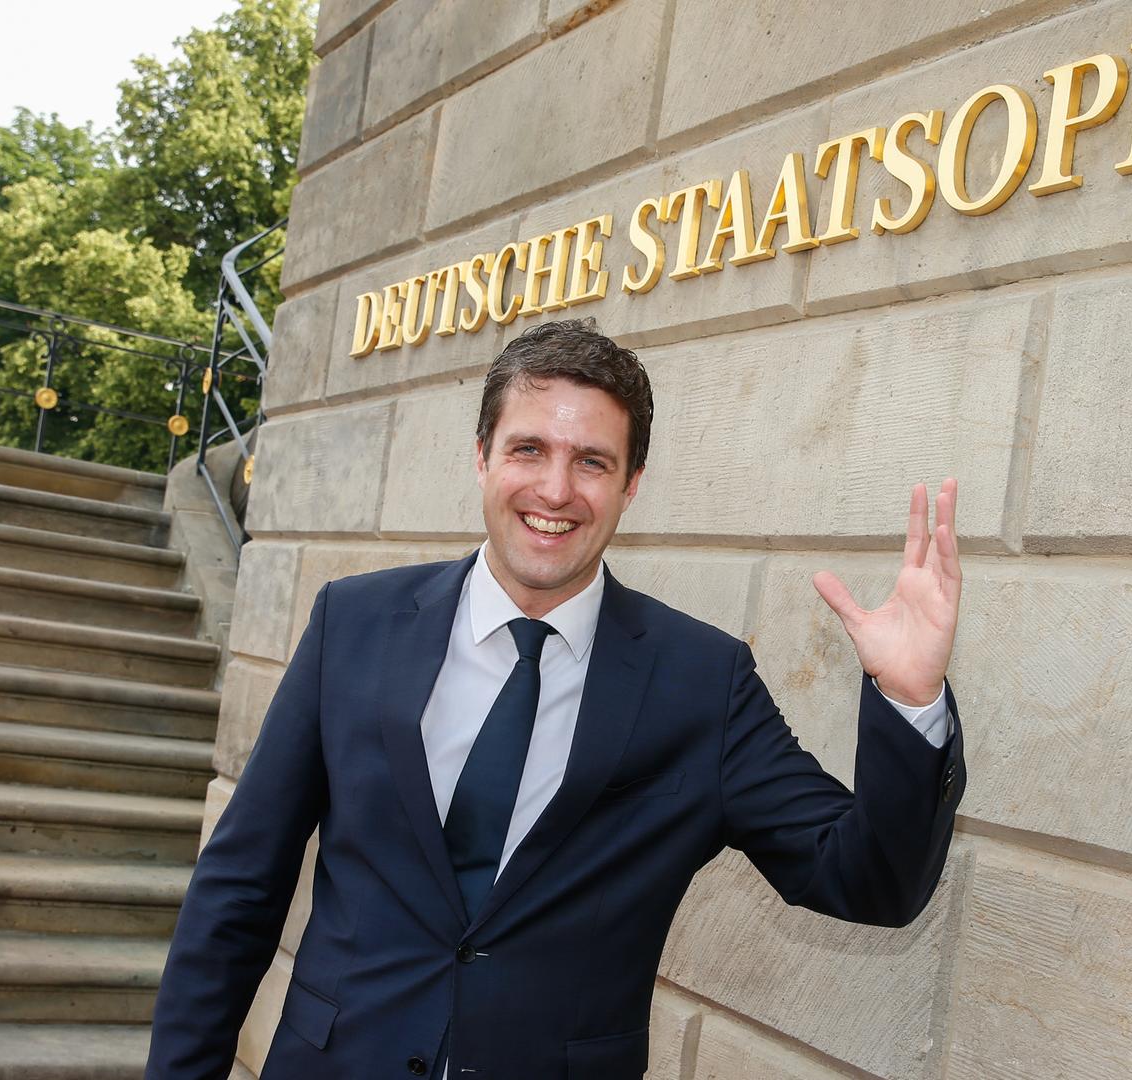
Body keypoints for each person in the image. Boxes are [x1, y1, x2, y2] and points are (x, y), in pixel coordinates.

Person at [147, 319, 966, 1079]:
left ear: (631, 483)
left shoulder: (701, 682)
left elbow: (869, 883)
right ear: (482, 456)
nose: (556, 489)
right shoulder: (354, 624)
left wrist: (909, 697)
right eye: (528, 449)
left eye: (593, 462)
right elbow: (240, 888)